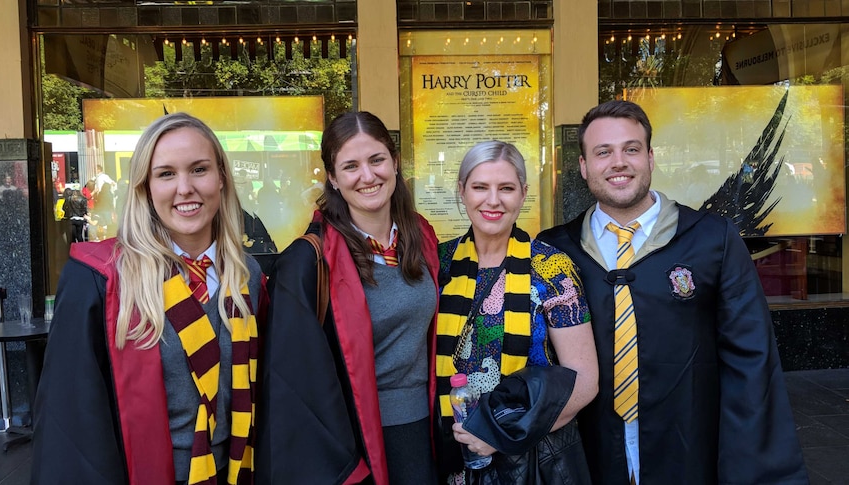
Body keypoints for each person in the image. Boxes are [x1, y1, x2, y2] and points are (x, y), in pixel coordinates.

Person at [536, 100, 808, 484]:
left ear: (650, 157)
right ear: (583, 166)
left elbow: (751, 362)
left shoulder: (713, 239)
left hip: (688, 447)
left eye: (631, 149)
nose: (618, 162)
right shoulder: (554, 251)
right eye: (603, 152)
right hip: (587, 450)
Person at [32, 112, 268, 485]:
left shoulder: (246, 276)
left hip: (235, 470)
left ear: (221, 177)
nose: (185, 188)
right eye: (166, 174)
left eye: (199, 169)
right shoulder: (103, 280)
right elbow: (71, 416)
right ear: (145, 187)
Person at [256, 111, 440, 484]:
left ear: (395, 163)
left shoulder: (421, 238)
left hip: (424, 430)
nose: (368, 176)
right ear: (333, 179)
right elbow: (294, 385)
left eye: (377, 160)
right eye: (351, 166)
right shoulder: (306, 264)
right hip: (353, 441)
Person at [435, 140, 597, 484]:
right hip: (454, 455)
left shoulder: (552, 269)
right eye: (480, 187)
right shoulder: (437, 265)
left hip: (534, 459)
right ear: (462, 191)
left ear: (523, 193)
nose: (493, 200)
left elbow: (585, 381)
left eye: (506, 188)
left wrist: (500, 433)